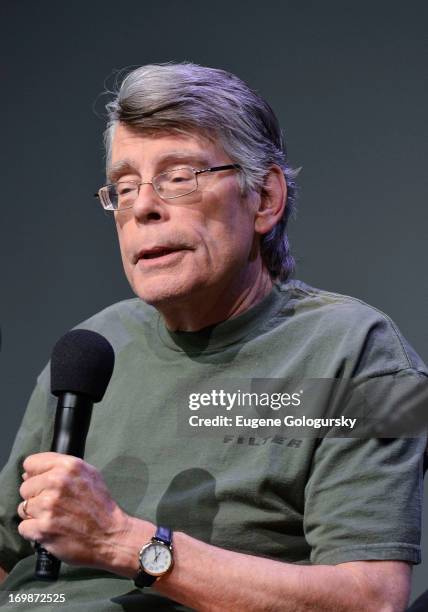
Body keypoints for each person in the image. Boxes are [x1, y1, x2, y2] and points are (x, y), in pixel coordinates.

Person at [0, 62, 426, 611]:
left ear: (265, 198)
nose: (144, 207)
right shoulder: (91, 345)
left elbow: (372, 601)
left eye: (179, 177)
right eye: (124, 187)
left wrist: (123, 542)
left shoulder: (361, 355)